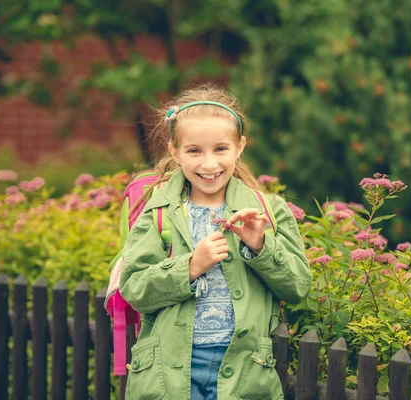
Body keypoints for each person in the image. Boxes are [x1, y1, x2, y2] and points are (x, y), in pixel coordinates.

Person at [119, 83, 312, 400]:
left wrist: (261, 248)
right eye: (194, 151)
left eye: (220, 149)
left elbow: (298, 287)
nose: (209, 164)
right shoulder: (158, 211)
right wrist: (191, 266)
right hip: (168, 374)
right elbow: (135, 289)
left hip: (245, 372)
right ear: (174, 152)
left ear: (240, 147)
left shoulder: (268, 211)